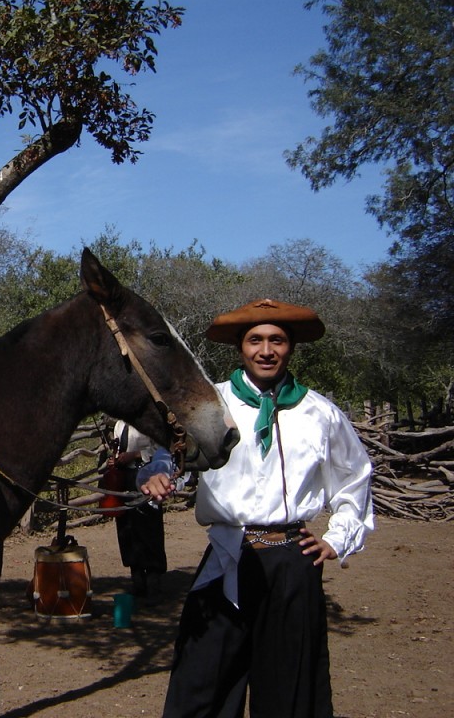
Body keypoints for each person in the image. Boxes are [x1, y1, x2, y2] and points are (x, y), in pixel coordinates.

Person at [142, 298, 374, 718]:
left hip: (292, 561)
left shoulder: (320, 413)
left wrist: (338, 539)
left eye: (277, 340)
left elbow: (355, 476)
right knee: (203, 684)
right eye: (255, 340)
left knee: (290, 688)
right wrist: (159, 475)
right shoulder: (209, 404)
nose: (266, 350)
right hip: (226, 557)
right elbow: (173, 456)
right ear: (240, 347)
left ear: (291, 348)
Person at [109, 420, 173, 598]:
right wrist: (115, 460)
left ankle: (153, 580)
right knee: (126, 526)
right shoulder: (119, 425)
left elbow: (161, 449)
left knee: (149, 526)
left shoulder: (146, 421)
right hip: (125, 477)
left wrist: (136, 454)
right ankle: (137, 578)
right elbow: (117, 450)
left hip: (145, 475)